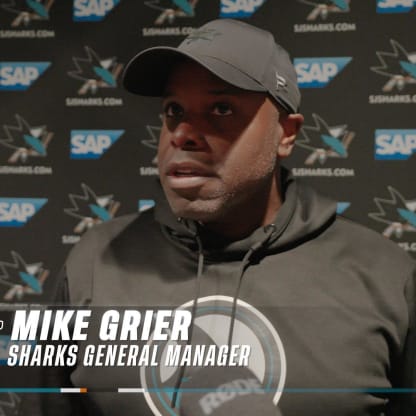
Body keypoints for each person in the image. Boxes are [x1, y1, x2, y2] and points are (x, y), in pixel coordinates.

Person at [52, 19, 415, 416]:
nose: (183, 133)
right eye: (174, 110)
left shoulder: (385, 276)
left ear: (286, 134)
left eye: (221, 108)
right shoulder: (96, 262)